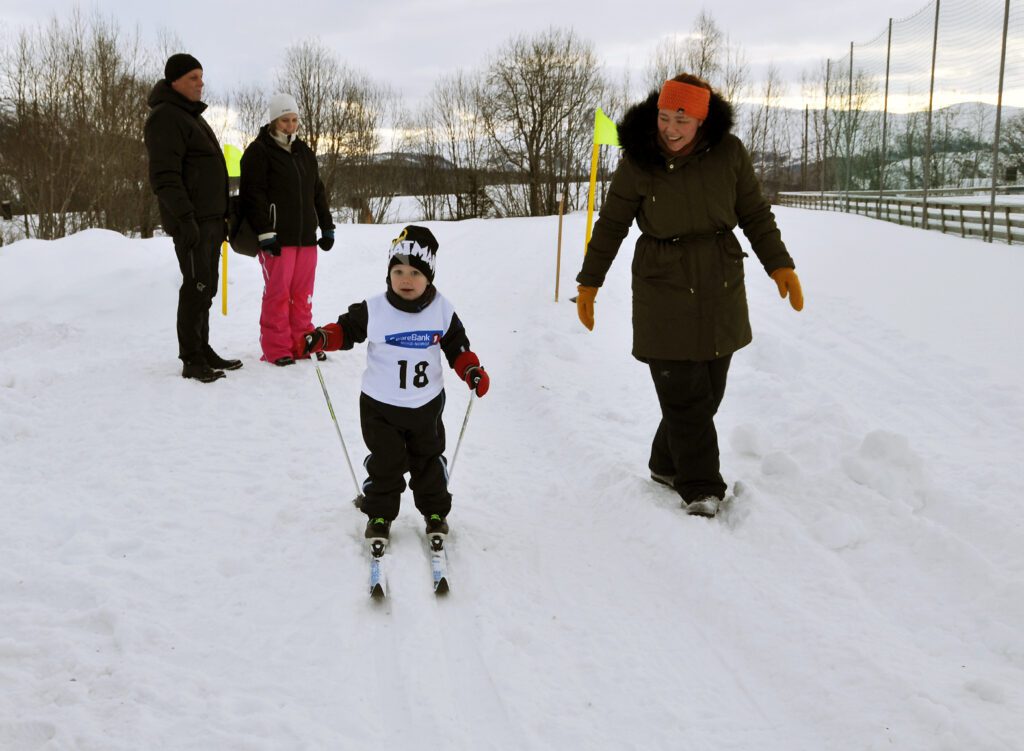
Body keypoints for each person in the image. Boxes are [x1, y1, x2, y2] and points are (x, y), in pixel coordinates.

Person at [575, 74, 804, 518]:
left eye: (683, 119)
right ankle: (700, 486)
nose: (671, 129)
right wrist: (590, 282)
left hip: (720, 281)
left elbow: (754, 213)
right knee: (683, 394)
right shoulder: (639, 161)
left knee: (708, 392)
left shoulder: (729, 154)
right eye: (664, 117)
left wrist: (779, 263)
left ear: (702, 119)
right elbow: (612, 224)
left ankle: (665, 463)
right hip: (662, 284)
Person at [300, 226, 489, 547]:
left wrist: (470, 369)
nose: (405, 279)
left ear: (429, 276)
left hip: (426, 405)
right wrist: (323, 338)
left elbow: (457, 346)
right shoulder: (375, 308)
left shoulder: (442, 310)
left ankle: (434, 512)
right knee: (385, 462)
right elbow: (347, 330)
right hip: (379, 406)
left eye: (415, 272)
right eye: (398, 270)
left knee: (428, 459)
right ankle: (379, 514)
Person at [144, 53, 240, 383]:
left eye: (201, 77)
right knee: (196, 287)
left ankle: (203, 348)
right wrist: (185, 219)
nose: (200, 83)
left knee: (207, 287)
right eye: (193, 78)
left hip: (210, 220)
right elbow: (165, 176)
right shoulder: (166, 118)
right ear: (174, 81)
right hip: (192, 223)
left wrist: (223, 214)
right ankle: (191, 359)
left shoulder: (189, 116)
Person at [239, 93, 336, 366]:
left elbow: (317, 192)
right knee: (278, 294)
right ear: (273, 121)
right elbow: (252, 195)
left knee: (302, 294)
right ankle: (276, 347)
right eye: (285, 120)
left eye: (294, 120)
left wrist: (326, 226)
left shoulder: (304, 152)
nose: (290, 125)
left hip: (306, 238)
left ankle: (302, 342)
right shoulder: (259, 152)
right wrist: (264, 231)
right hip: (276, 238)